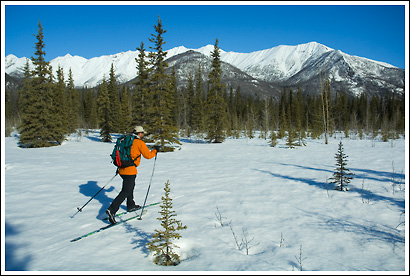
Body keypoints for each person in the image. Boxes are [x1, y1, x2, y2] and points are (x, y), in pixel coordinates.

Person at [106, 126, 158, 224]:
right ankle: (112, 210)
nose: (143, 135)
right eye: (142, 133)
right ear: (140, 133)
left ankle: (131, 205)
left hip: (121, 169)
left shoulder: (125, 140)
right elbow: (148, 155)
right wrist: (155, 150)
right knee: (125, 191)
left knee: (130, 186)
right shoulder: (139, 143)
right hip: (130, 170)